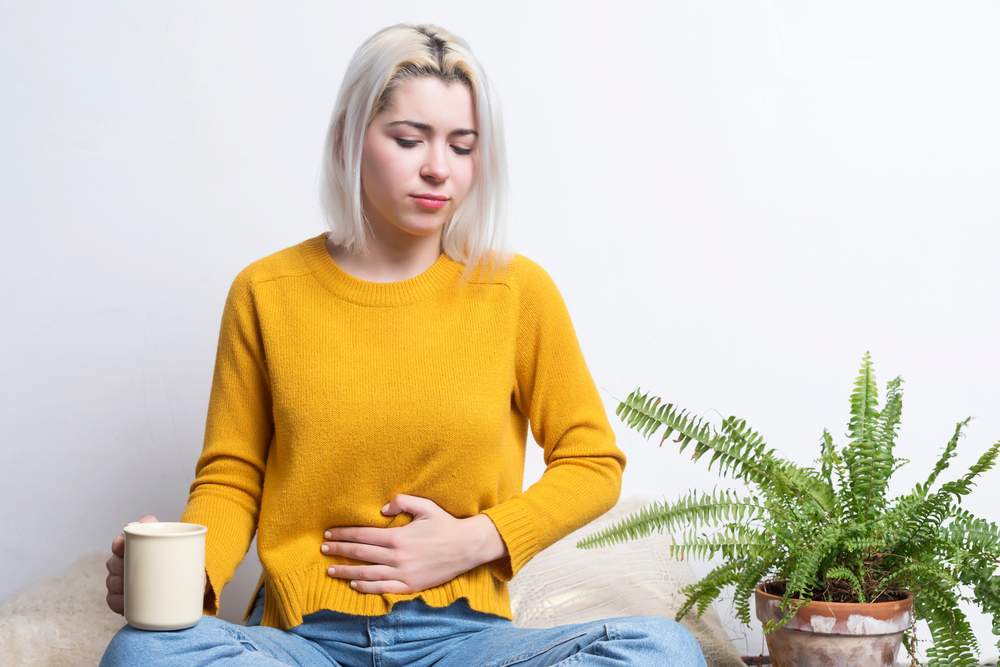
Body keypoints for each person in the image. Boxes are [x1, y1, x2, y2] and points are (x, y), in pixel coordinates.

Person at [100, 23, 707, 667]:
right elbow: (232, 477)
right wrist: (187, 582)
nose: (437, 168)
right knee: (141, 652)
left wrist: (476, 540)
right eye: (409, 139)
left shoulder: (516, 292)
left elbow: (593, 462)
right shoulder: (266, 291)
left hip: (466, 641)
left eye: (462, 146)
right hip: (304, 641)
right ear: (348, 139)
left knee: (661, 650)